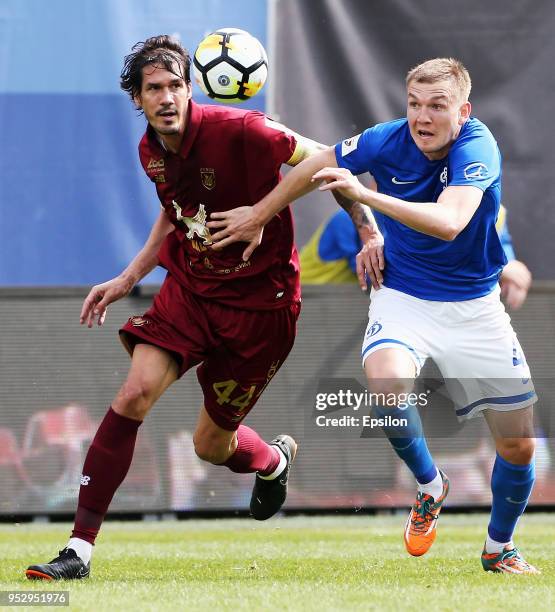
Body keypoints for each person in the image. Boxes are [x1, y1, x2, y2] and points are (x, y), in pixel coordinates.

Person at [24, 35, 355, 581]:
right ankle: (78, 550)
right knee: (133, 395)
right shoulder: (150, 151)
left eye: (176, 85)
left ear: (191, 87)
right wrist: (130, 276)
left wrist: (364, 230)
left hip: (260, 310)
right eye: (154, 88)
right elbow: (176, 213)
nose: (167, 97)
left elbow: (330, 161)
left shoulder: (245, 130)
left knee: (210, 445)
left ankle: (271, 462)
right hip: (192, 292)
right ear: (137, 98)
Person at [207, 58, 539, 574]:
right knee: (385, 383)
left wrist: (366, 196)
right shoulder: (387, 140)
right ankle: (430, 485)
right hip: (402, 294)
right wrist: (259, 213)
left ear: (463, 111)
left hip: (476, 307)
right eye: (414, 104)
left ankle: (499, 548)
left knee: (518, 446)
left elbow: (451, 223)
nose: (422, 118)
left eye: (437, 106)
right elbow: (320, 163)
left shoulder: (478, 146)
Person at [300, 205, 532, 310]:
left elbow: (505, 255)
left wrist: (512, 271)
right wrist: (495, 267)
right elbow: (385, 277)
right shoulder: (353, 218)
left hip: (399, 321)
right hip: (313, 316)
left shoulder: (493, 212)